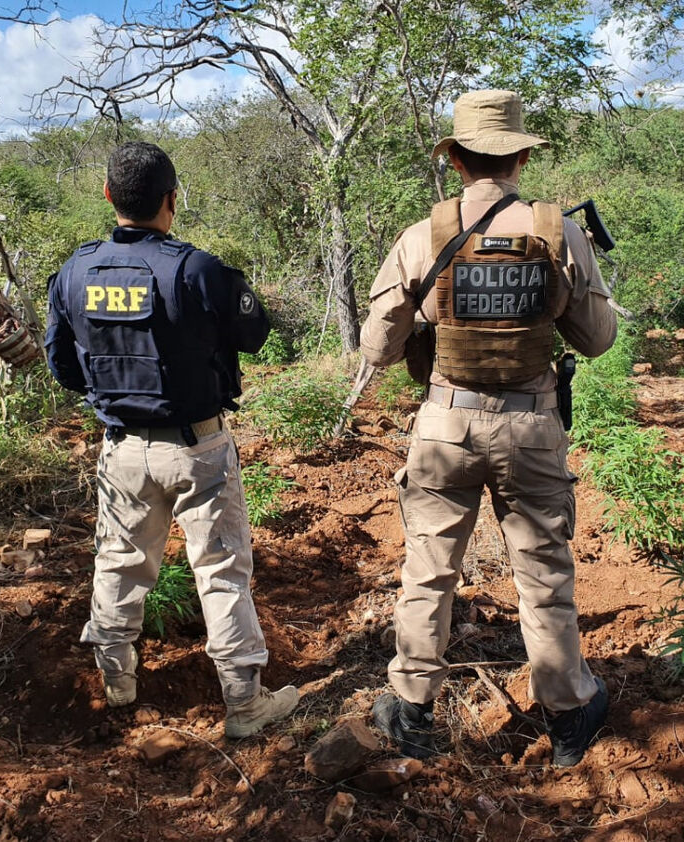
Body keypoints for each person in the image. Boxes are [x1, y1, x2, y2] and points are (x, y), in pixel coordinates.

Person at [361, 90, 618, 766]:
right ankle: (567, 717)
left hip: (445, 425)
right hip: (532, 426)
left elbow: (378, 346)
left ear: (457, 160)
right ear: (522, 154)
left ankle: (412, 708)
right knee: (544, 575)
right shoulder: (558, 232)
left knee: (428, 570)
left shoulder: (425, 236)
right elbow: (596, 341)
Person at [45, 141, 298, 738]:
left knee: (118, 564)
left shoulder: (73, 272)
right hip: (198, 449)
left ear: (108, 196)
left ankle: (119, 684)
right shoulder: (198, 269)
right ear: (171, 200)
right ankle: (243, 706)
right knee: (221, 572)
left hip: (122, 452)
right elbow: (256, 333)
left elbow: (63, 368)